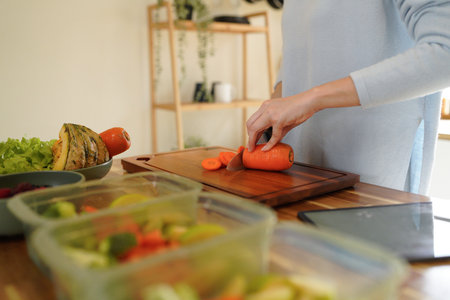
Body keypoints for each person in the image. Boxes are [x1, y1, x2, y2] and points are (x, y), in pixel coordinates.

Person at [246, 1, 450, 195]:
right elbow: (299, 50)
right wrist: (273, 107)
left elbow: (444, 54)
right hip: (299, 170)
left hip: (373, 173)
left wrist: (313, 98)